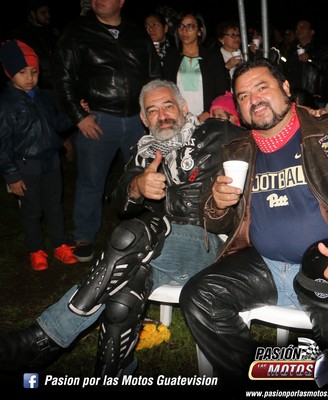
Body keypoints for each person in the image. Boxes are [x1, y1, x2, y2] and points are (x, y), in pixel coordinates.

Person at [0, 79, 245, 377]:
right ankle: (114, 373)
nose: (162, 115)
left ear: (183, 107)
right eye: (152, 111)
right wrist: (137, 186)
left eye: (168, 106)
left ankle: (44, 337)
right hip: (158, 251)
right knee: (124, 295)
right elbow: (121, 201)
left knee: (132, 235)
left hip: (209, 244)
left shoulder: (217, 133)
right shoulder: (144, 152)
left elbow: (263, 141)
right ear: (143, 118)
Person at [179, 58, 328, 390]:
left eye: (262, 88)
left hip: (327, 265)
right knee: (199, 296)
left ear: (286, 88)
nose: (254, 99)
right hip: (263, 264)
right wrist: (217, 204)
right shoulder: (237, 150)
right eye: (244, 96)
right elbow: (215, 221)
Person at [52, 0, 163, 262]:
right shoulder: (77, 31)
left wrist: (153, 112)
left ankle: (149, 228)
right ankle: (84, 235)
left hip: (138, 120)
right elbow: (63, 77)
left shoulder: (136, 33)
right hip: (99, 120)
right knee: (91, 180)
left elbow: (153, 73)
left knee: (145, 174)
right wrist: (79, 117)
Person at [0, 39, 77, 271]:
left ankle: (60, 245)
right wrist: (12, 175)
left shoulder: (43, 97)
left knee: (55, 206)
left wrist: (76, 114)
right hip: (26, 167)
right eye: (22, 72)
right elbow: (2, 143)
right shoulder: (6, 104)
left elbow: (57, 124)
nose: (29, 78)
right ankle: (35, 250)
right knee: (32, 211)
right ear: (9, 73)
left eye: (34, 72)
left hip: (51, 162)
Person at [162, 9, 229, 123]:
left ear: (200, 31)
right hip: (178, 119)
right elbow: (165, 89)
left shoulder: (212, 57)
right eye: (181, 26)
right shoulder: (171, 57)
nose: (184, 31)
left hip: (207, 118)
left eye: (190, 26)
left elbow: (221, 91)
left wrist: (206, 114)